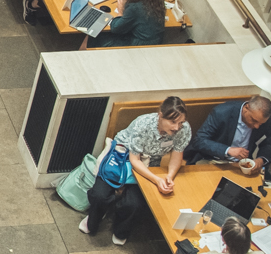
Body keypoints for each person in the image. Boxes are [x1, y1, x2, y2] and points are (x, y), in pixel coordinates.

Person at [81, 97, 190, 245]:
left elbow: (177, 156)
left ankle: (121, 230)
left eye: (181, 123)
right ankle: (95, 217)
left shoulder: (184, 130)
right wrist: (157, 180)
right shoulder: (143, 124)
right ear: (160, 115)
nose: (177, 127)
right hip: (123, 156)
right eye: (173, 122)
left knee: (135, 204)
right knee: (100, 195)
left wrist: (168, 177)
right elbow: (135, 160)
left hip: (151, 163)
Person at [186, 94, 271, 169]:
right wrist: (228, 150)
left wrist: (261, 159)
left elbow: (267, 143)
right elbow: (199, 140)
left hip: (243, 165)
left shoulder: (268, 119)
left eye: (261, 123)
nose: (256, 126)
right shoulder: (222, 112)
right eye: (254, 120)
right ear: (246, 108)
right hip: (215, 160)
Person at [84, 0, 166, 49]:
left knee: (95, 35)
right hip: (157, 39)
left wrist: (120, 11)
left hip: (140, 44)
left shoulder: (134, 7)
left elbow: (116, 28)